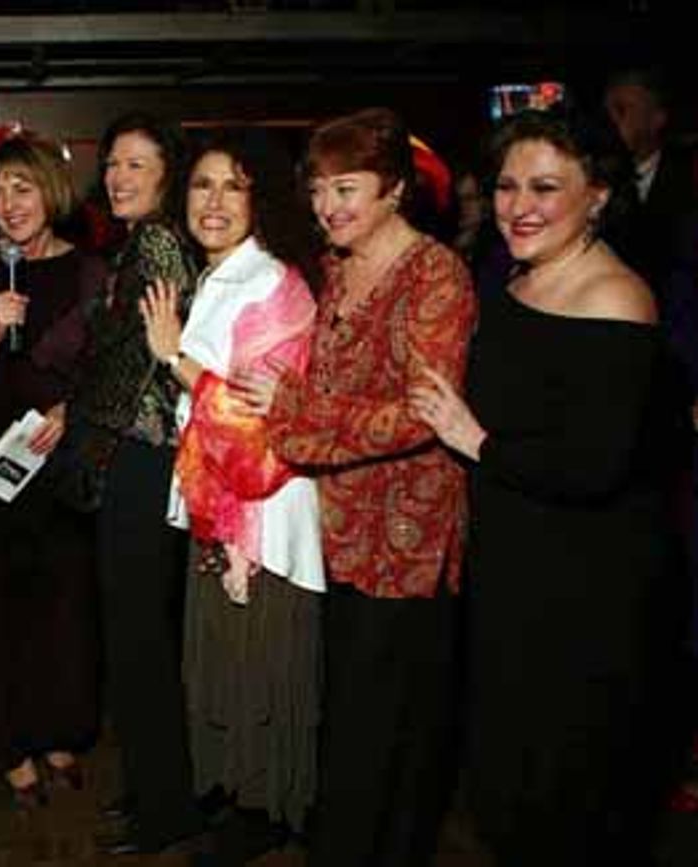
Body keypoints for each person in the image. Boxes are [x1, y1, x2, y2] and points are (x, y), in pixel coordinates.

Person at [411, 106, 685, 867]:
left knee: (570, 797)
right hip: (515, 569)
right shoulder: (519, 278)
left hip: (585, 591)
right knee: (509, 785)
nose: (518, 206)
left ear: (597, 195)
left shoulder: (616, 299)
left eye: (544, 187)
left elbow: (596, 466)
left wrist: (474, 439)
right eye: (505, 186)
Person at [266, 107, 476, 867]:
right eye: (318, 189)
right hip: (335, 524)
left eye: (347, 188)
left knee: (386, 722)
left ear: (395, 189)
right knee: (349, 713)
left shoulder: (435, 274)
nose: (328, 206)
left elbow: (422, 414)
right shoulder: (332, 267)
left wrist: (297, 428)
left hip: (405, 532)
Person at [139, 129, 325, 866]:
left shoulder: (273, 283)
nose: (213, 202)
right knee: (226, 657)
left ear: (262, 199)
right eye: (202, 185)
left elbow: (257, 425)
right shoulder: (217, 276)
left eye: (233, 186)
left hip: (268, 513)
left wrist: (171, 357)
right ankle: (240, 796)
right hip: (219, 504)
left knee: (265, 661)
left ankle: (271, 808)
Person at [0, 132, 104, 806]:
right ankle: (11, 745)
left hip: (56, 466)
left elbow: (110, 371)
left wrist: (73, 409)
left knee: (62, 608)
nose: (8, 204)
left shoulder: (92, 273)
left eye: (21, 188)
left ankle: (59, 730)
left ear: (50, 193)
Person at [73, 111, 204, 855]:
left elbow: (137, 367)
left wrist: (84, 428)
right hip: (140, 458)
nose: (118, 177)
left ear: (165, 175)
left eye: (135, 165)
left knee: (141, 641)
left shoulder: (155, 240)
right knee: (139, 636)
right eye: (113, 164)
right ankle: (155, 790)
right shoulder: (141, 242)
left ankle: (166, 807)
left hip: (142, 459)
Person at [605, 66, 697, 296]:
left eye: (622, 110)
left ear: (656, 120)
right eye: (606, 113)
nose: (610, 122)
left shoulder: (688, 178)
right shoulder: (591, 180)